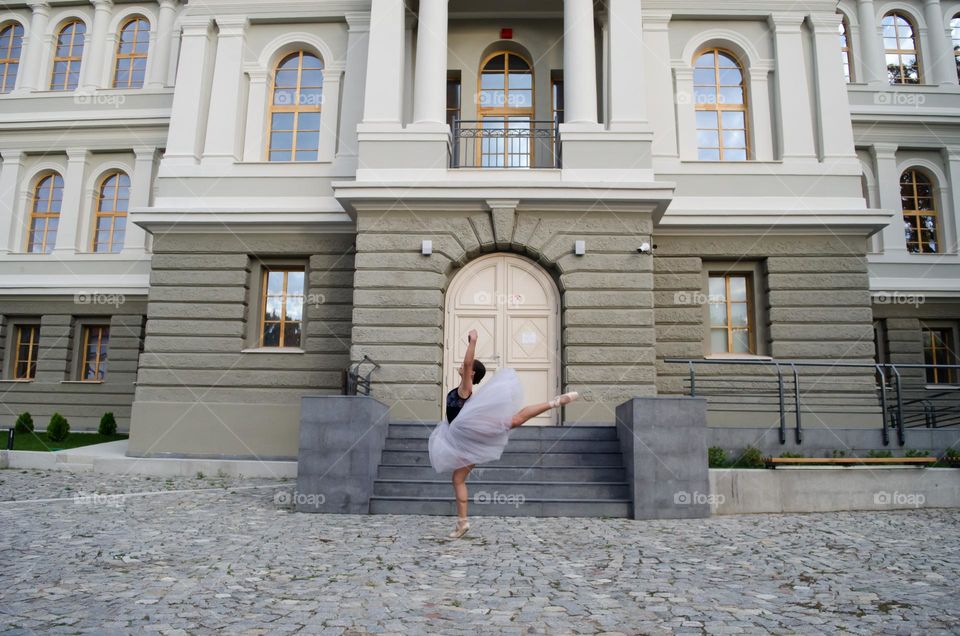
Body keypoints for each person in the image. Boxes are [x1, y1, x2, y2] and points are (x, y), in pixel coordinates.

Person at [428, 329, 579, 538]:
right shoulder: (461, 390)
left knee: (514, 420)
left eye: (465, 366)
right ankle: (462, 523)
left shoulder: (464, 389)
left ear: (470, 374)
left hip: (473, 431)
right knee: (458, 479)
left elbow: (469, 363)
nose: (462, 365)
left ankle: (555, 402)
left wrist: (472, 341)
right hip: (466, 439)